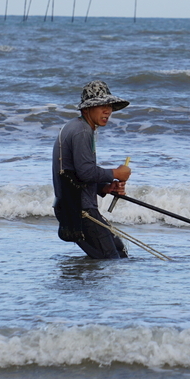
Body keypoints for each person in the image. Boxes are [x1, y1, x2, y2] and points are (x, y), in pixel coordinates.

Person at [52, 80, 133, 259]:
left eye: (109, 106)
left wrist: (104, 187)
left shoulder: (76, 127)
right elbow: (86, 172)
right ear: (86, 109)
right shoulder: (82, 131)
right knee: (111, 257)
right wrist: (116, 173)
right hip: (80, 209)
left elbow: (75, 174)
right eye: (101, 105)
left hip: (72, 205)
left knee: (118, 251)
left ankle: (84, 283)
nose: (108, 111)